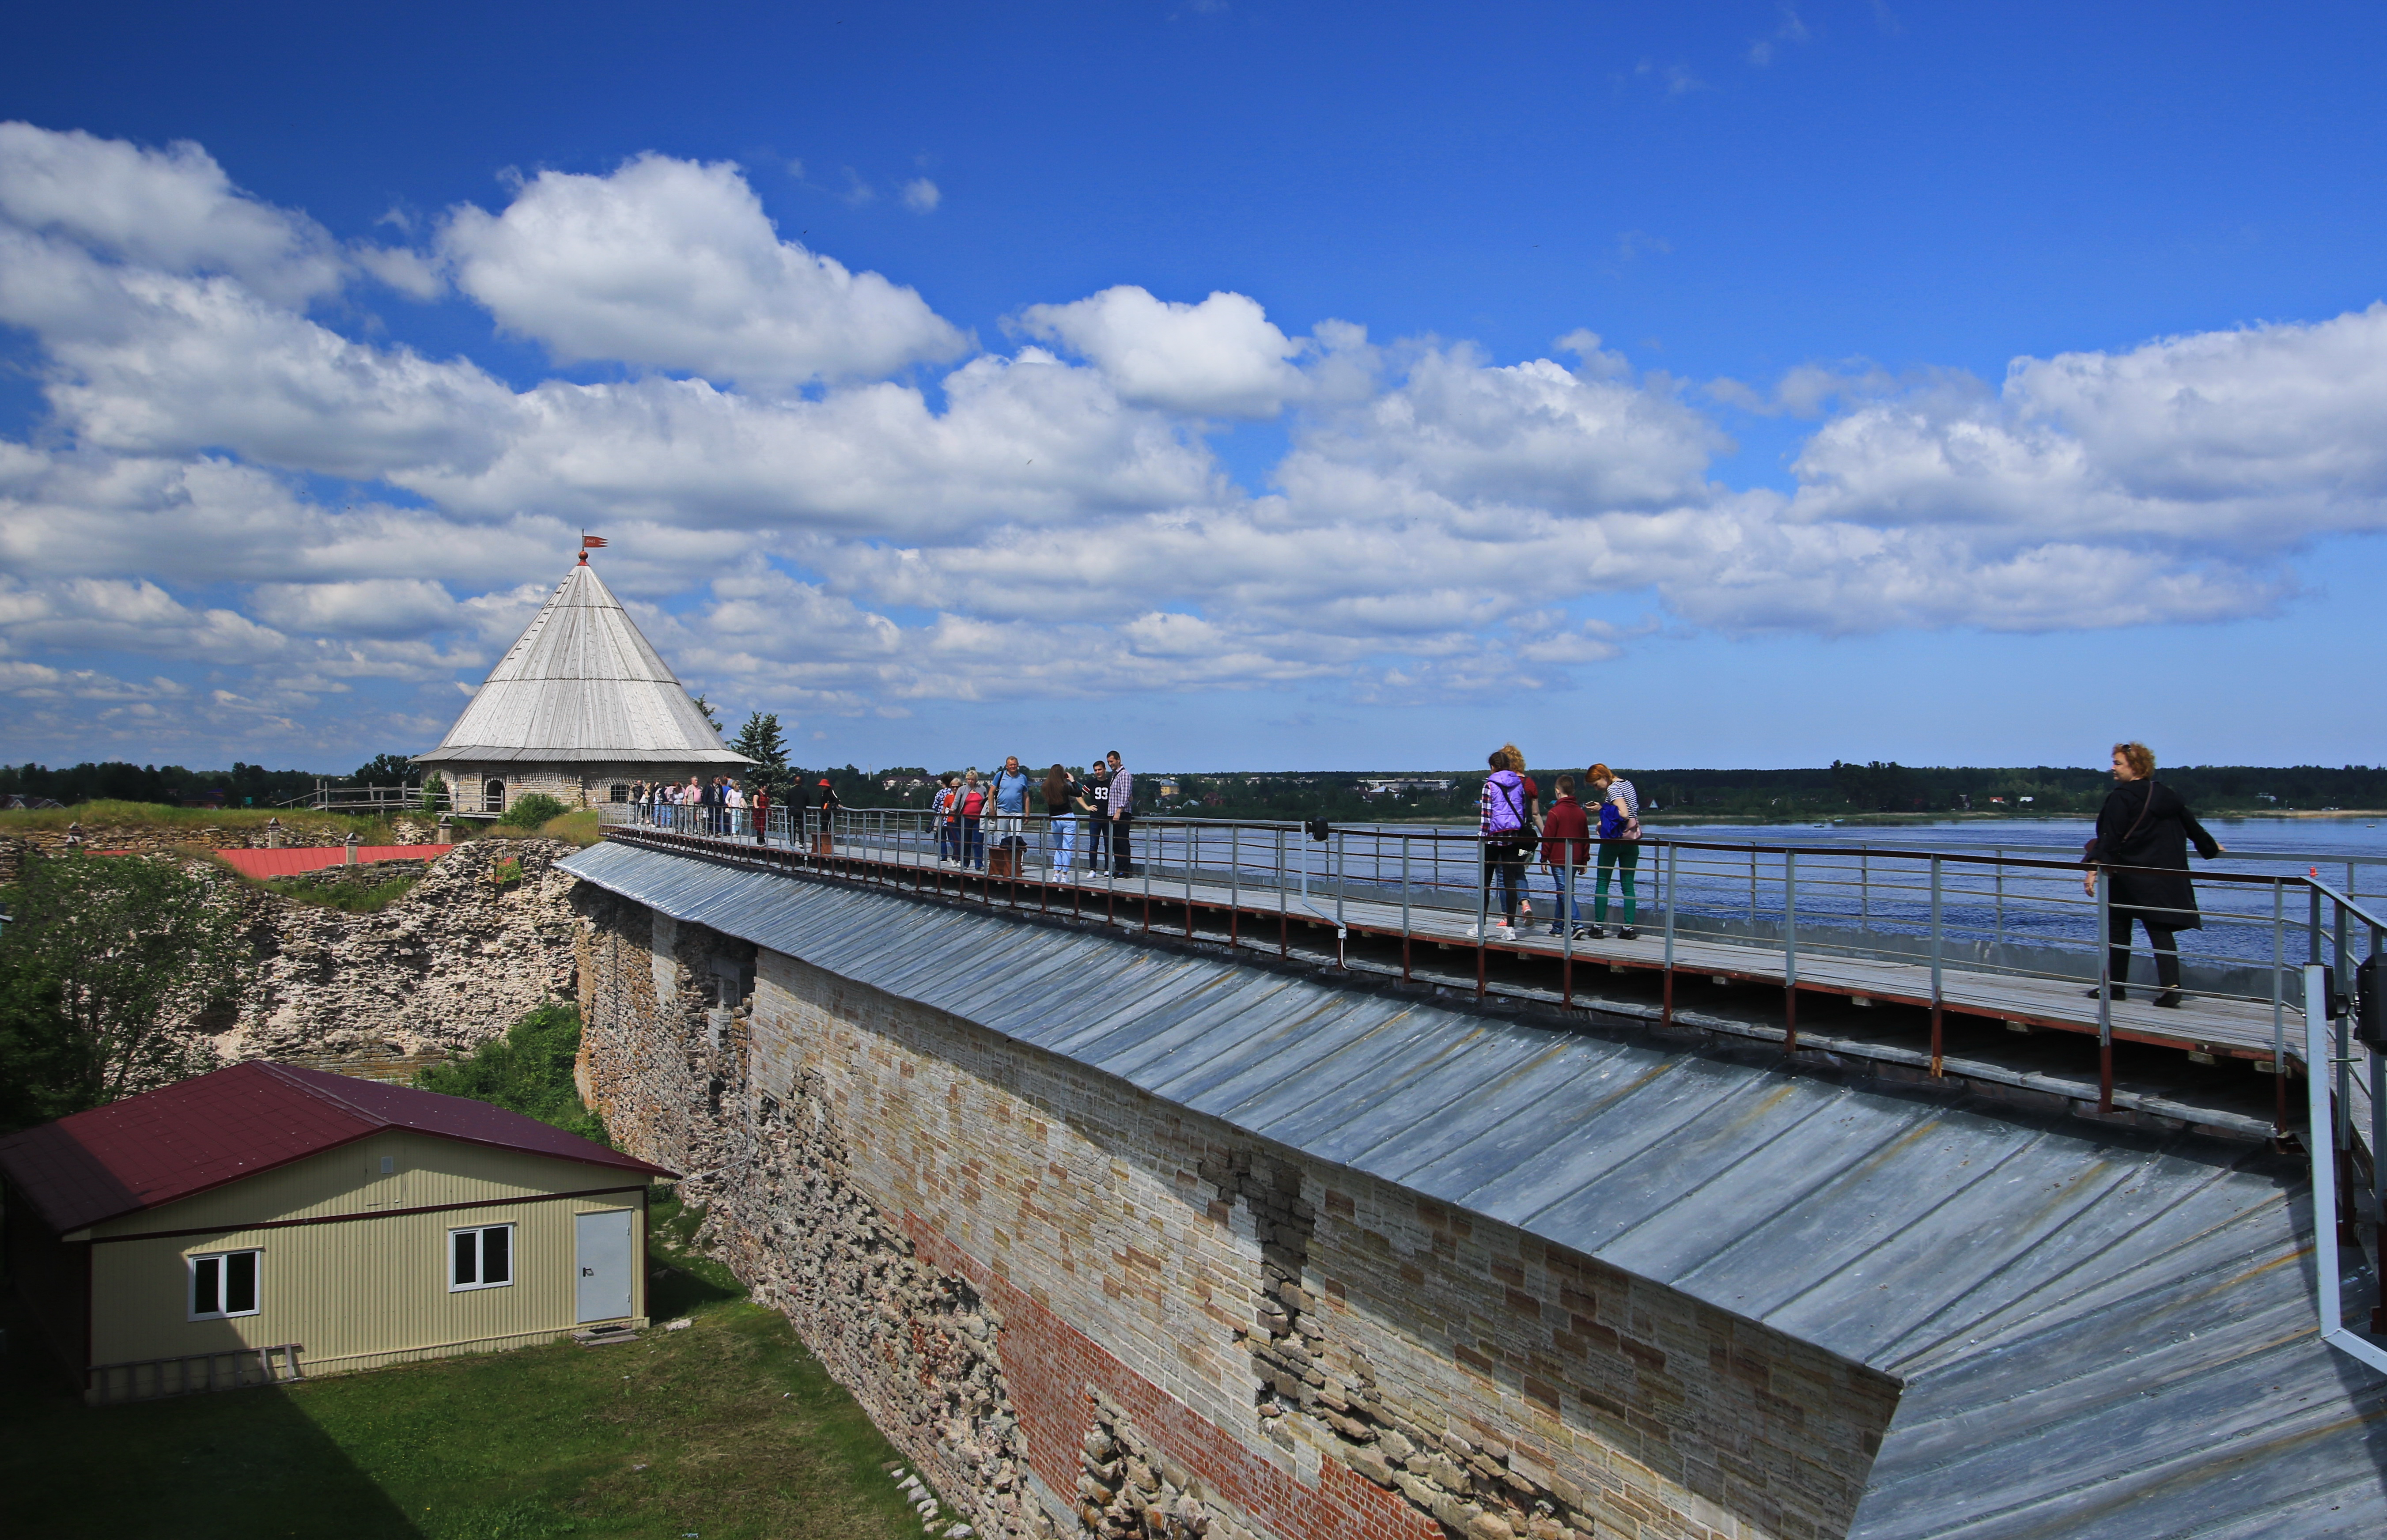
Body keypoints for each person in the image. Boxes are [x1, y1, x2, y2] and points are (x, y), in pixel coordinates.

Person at [2082, 741, 2224, 1007]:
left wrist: (2092, 869)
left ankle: (2115, 987)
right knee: (2159, 930)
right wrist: (2211, 848)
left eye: (2117, 763)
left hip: (2127, 874)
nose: (2112, 768)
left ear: (2135, 767)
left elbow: (2110, 838)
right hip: (2161, 876)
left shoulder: (2121, 797)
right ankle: (2171, 987)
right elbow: (2193, 828)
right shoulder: (2167, 795)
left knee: (2120, 932)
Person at [1477, 749, 1532, 939]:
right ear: (1508, 766)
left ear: (1493, 767)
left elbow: (1486, 818)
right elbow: (1524, 813)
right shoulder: (1519, 785)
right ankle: (1510, 929)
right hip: (1513, 839)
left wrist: (1481, 841)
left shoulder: (1489, 786)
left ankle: (1481, 926)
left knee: (1485, 884)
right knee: (1510, 884)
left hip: (1492, 839)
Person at [1585, 764, 1642, 939]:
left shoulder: (1613, 789)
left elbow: (1623, 813)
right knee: (1628, 884)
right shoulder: (1628, 784)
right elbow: (1631, 811)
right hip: (1631, 841)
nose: (1596, 788)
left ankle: (1598, 926)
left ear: (1603, 776)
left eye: (1596, 784)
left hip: (1613, 841)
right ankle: (1628, 928)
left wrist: (1601, 808)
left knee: (1602, 883)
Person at [1540, 775, 1591, 937]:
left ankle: (1577, 925)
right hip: (1575, 859)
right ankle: (1558, 928)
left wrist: (1543, 858)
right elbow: (1585, 839)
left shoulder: (1554, 813)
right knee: (1564, 892)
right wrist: (1584, 861)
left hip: (1558, 858)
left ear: (1558, 791)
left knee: (1564, 892)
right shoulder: (1581, 814)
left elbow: (1549, 838)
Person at [989, 755, 1033, 863]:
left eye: (1015, 765)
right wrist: (992, 809)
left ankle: (1018, 863)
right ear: (1007, 766)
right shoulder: (1000, 776)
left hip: (1017, 812)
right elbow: (991, 793)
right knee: (1002, 836)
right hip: (1002, 810)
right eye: (1011, 765)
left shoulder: (1023, 778)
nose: (1013, 767)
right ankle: (1002, 862)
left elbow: (1026, 796)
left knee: (1017, 838)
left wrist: (1027, 814)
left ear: (1018, 765)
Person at [1044, 763, 1078, 878]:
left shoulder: (1046, 787)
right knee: (1067, 847)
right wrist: (1073, 781)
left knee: (1058, 847)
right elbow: (1079, 793)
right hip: (1067, 817)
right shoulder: (1065, 787)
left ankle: (1056, 875)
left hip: (1054, 820)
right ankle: (1065, 875)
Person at [1081, 753, 1113, 875]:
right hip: (1095, 817)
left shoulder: (1111, 783)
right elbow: (1080, 796)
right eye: (1096, 770)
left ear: (1105, 769)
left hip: (1108, 817)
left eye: (1100, 769)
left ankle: (1107, 869)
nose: (1098, 772)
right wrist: (1087, 807)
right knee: (1094, 844)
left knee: (1108, 844)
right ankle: (1093, 869)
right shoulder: (1091, 783)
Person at [1106, 750, 1134, 876]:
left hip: (1122, 814)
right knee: (1115, 842)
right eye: (1108, 762)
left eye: (1112, 761)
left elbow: (1124, 795)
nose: (1110, 764)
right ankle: (1118, 868)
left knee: (1122, 841)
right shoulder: (1115, 775)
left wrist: (1118, 811)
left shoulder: (1124, 775)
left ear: (1118, 760)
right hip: (1113, 814)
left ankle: (1125, 869)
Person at [955, 768, 986, 869]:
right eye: (968, 780)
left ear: (976, 780)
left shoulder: (982, 789)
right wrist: (953, 810)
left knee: (978, 842)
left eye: (972, 780)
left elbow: (987, 802)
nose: (970, 782)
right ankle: (965, 863)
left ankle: (979, 864)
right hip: (966, 819)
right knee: (966, 842)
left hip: (978, 819)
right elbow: (957, 801)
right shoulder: (962, 789)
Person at [933, 773, 960, 863]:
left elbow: (935, 806)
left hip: (943, 819)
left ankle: (944, 857)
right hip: (953, 819)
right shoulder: (957, 793)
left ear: (944, 783)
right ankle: (956, 856)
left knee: (942, 839)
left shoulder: (941, 792)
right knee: (953, 839)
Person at [749, 779, 770, 844]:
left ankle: (762, 840)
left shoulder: (766, 795)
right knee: (759, 827)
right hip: (758, 813)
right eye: (765, 786)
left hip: (764, 813)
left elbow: (768, 804)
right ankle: (760, 841)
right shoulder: (757, 794)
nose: (767, 787)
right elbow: (755, 805)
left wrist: (770, 811)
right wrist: (761, 808)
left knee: (763, 826)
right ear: (762, 786)